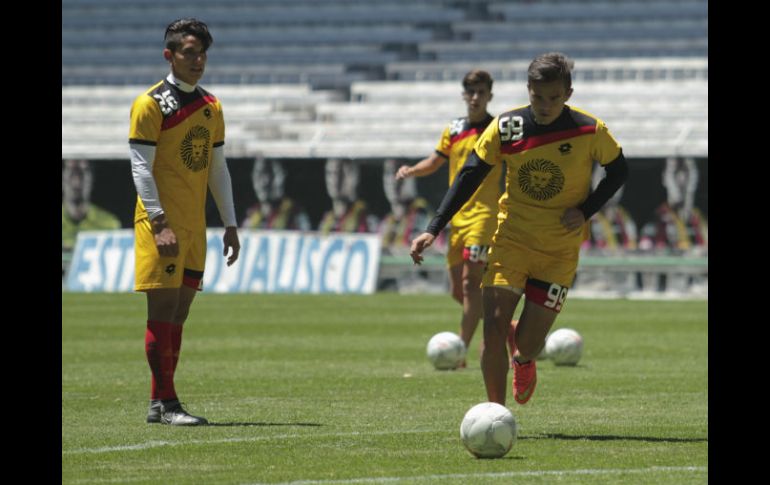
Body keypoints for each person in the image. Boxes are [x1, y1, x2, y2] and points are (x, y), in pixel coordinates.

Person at [410, 52, 628, 405]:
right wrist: (433, 228)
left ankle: (525, 360)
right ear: (528, 89)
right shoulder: (508, 127)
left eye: (554, 98)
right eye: (538, 97)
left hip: (558, 251)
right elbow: (469, 175)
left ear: (568, 93)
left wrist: (586, 210)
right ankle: (494, 412)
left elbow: (619, 171)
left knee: (527, 342)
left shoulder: (590, 130)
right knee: (494, 328)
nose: (545, 105)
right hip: (510, 240)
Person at [129, 18, 240, 425]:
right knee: (163, 308)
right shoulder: (151, 104)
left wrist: (229, 223)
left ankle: (161, 403)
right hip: (161, 223)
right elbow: (140, 167)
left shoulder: (211, 106)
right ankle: (167, 403)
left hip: (195, 226)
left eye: (202, 53)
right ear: (169, 55)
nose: (198, 61)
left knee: (179, 314)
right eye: (189, 53)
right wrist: (159, 222)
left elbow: (218, 168)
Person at [396, 71, 507, 366]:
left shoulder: (496, 130)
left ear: (489, 96)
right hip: (456, 219)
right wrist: (412, 170)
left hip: (484, 218)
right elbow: (434, 162)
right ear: (463, 95)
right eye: (470, 92)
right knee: (458, 290)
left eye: (480, 92)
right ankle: (508, 326)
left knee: (472, 285)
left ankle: (460, 351)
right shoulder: (454, 128)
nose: (475, 97)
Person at [62, 159, 121, 275]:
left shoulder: (109, 223)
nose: (76, 182)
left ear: (92, 178)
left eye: (83, 172)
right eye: (71, 172)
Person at [241, 157, 311, 231]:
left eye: (272, 173)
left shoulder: (296, 215)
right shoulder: (251, 216)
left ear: (284, 175)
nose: (265, 182)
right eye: (259, 174)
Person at [318, 158, 378, 233]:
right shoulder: (325, 222)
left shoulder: (367, 220)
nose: (334, 180)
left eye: (340, 172)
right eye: (329, 173)